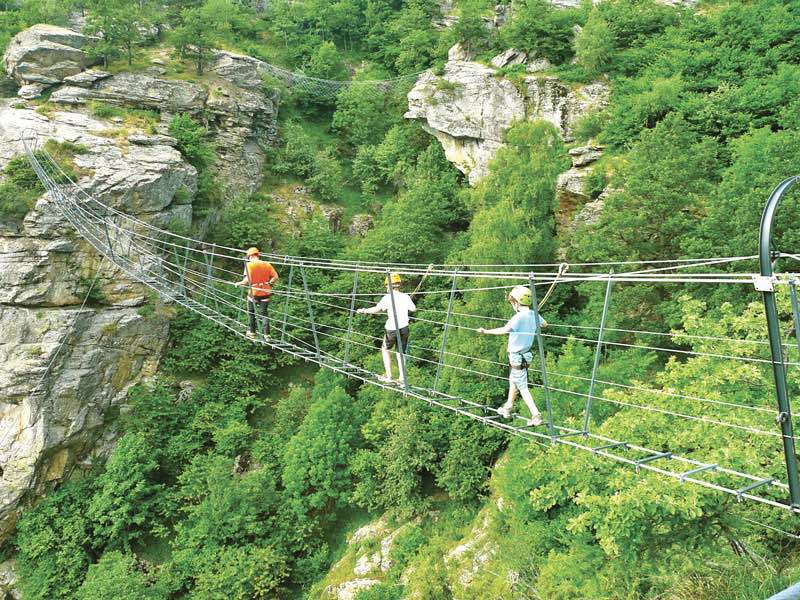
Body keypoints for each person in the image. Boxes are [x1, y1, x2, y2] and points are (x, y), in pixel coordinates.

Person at [477, 285, 547, 427]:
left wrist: (485, 331)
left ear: (516, 302)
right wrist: (534, 319)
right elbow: (545, 324)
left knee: (522, 386)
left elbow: (504, 330)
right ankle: (508, 406)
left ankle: (536, 415)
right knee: (513, 381)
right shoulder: (534, 315)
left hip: (516, 356)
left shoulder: (518, 317)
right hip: (526, 356)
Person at [357, 273, 416, 384]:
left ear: (389, 286)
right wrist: (406, 302)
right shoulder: (405, 296)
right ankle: (402, 379)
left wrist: (363, 310)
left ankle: (388, 376)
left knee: (385, 349)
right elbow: (413, 309)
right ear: (399, 285)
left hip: (392, 329)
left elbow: (376, 309)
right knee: (401, 353)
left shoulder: (387, 298)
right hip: (404, 328)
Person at [234, 247, 278, 340]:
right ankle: (267, 335)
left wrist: (239, 283)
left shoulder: (249, 265)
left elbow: (246, 280)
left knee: (251, 312)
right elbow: (275, 277)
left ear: (249, 256)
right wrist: (269, 283)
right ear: (258, 255)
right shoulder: (267, 264)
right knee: (264, 314)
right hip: (266, 292)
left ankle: (252, 332)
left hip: (254, 293)